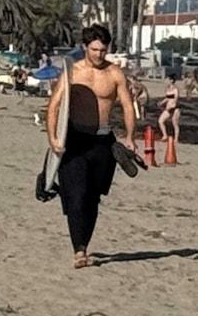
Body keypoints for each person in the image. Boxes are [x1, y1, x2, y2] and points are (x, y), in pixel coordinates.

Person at [45, 24, 140, 270]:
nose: (99, 54)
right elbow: (54, 106)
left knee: (92, 198)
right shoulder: (72, 73)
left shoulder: (115, 74)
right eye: (95, 49)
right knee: (77, 196)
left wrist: (130, 136)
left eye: (103, 50)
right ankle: (79, 250)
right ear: (85, 47)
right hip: (75, 139)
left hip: (103, 141)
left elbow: (128, 106)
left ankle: (84, 243)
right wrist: (53, 139)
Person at [158, 86, 180, 151]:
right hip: (168, 108)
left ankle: (176, 138)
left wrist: (173, 105)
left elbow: (176, 98)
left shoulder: (176, 89)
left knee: (175, 124)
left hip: (174, 108)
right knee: (160, 121)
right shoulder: (167, 89)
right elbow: (168, 98)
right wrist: (161, 102)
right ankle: (165, 135)